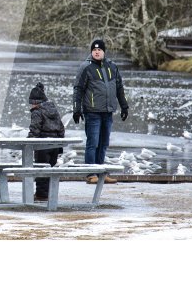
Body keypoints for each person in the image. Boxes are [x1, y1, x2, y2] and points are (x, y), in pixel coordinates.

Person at [73, 38, 129, 184]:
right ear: (91, 52)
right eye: (94, 50)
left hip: (108, 112)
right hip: (92, 112)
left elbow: (119, 88)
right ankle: (91, 173)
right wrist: (76, 109)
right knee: (93, 143)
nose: (97, 52)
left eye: (99, 50)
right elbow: (78, 89)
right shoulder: (85, 67)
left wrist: (124, 106)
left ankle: (101, 173)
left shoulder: (112, 67)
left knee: (104, 143)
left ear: (104, 52)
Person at [27, 82, 65, 202]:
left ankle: (41, 195)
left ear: (35, 102)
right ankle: (49, 193)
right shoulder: (53, 109)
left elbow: (35, 129)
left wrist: (28, 142)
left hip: (42, 145)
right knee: (50, 169)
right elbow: (61, 128)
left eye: (31, 103)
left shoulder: (37, 112)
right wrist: (60, 146)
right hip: (54, 144)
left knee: (41, 170)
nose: (31, 106)